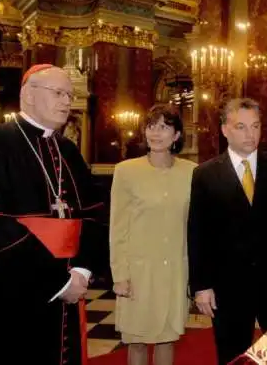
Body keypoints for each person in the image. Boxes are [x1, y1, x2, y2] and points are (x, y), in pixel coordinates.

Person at [0, 64, 104, 365]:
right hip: (10, 285)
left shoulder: (69, 150)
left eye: (69, 95)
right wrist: (59, 282)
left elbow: (94, 217)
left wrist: (82, 272)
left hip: (70, 280)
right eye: (58, 93)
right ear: (28, 95)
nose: (66, 102)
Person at [187, 98, 267, 365]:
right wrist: (201, 286)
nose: (250, 134)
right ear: (224, 130)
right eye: (241, 127)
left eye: (255, 126)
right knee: (232, 354)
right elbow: (199, 234)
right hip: (228, 284)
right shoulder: (205, 174)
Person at [109, 104, 197, 365]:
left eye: (164, 127)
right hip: (138, 272)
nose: (156, 133)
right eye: (151, 126)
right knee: (136, 342)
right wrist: (120, 275)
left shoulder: (192, 172)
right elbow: (118, 227)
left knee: (167, 340)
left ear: (177, 135)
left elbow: (196, 227)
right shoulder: (126, 171)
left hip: (175, 273)